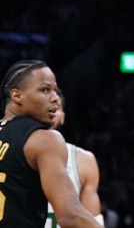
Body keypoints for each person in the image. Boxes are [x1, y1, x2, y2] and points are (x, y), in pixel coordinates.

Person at [0, 60, 101, 227]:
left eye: (55, 91)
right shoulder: (45, 140)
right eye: (45, 90)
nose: (55, 98)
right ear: (17, 96)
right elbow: (71, 217)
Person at [45, 90, 102, 228]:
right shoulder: (8, 149)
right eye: (44, 106)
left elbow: (91, 219)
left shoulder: (83, 160)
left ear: (63, 117)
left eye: (55, 108)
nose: (50, 111)